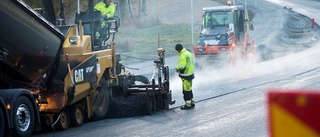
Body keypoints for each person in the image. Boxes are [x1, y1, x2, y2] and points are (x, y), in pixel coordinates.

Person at [175, 44, 195, 110]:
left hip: (186, 75)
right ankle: (192, 102)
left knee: (186, 90)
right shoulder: (188, 53)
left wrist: (177, 68)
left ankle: (188, 105)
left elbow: (181, 66)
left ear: (178, 50)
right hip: (191, 73)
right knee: (189, 89)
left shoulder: (183, 56)